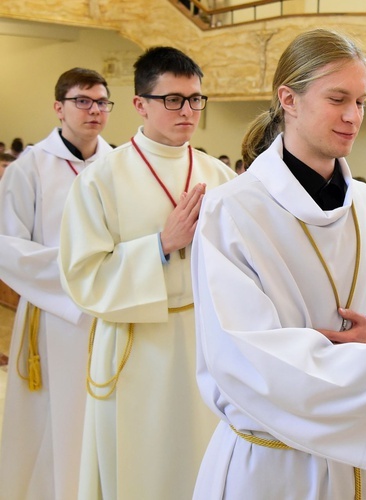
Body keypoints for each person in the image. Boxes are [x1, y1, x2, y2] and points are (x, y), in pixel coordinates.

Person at [190, 29, 366, 499]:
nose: (353, 116)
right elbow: (251, 359)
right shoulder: (232, 211)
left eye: (362, 101)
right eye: (338, 98)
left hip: (348, 464)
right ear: (290, 99)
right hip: (269, 464)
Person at [58, 47, 236, 500]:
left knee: (203, 466)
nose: (188, 110)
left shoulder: (220, 178)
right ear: (140, 104)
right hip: (136, 349)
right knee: (141, 473)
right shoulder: (100, 178)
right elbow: (83, 277)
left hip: (203, 342)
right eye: (173, 99)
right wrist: (161, 245)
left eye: (196, 99)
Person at [0, 67, 114, 500]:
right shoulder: (31, 166)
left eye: (102, 102)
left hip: (107, 311)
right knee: (49, 420)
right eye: (82, 101)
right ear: (58, 108)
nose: (94, 111)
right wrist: (81, 274)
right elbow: (8, 245)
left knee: (97, 415)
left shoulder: (116, 164)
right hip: (52, 314)